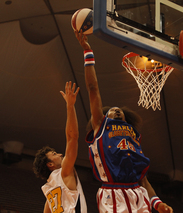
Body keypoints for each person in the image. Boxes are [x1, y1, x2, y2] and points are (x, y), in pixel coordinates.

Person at [75, 30, 173, 213]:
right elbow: (93, 88)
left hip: (138, 192)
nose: (117, 110)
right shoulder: (100, 126)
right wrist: (88, 52)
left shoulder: (134, 136)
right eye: (112, 110)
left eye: (119, 110)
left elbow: (143, 179)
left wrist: (158, 203)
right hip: (113, 193)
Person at [33, 81, 87, 213]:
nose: (60, 154)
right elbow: (72, 137)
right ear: (50, 164)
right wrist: (70, 106)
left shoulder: (49, 189)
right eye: (54, 154)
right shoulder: (64, 172)